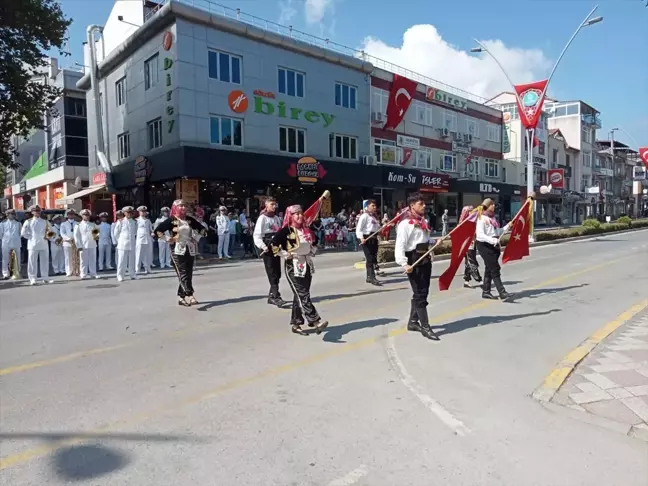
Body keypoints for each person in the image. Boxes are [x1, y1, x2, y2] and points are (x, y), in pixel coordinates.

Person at [271, 204, 328, 335]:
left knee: (300, 295)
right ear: (290, 216)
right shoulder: (286, 231)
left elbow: (315, 241)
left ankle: (296, 323)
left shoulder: (307, 230)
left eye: (301, 213)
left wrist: (312, 251)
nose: (300, 216)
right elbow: (274, 245)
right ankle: (315, 321)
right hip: (293, 264)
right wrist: (285, 254)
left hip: (306, 263)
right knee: (302, 294)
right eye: (296, 214)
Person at [395, 193, 439, 340]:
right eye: (421, 203)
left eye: (424, 203)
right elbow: (400, 245)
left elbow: (424, 239)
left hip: (425, 258)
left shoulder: (423, 221)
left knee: (423, 292)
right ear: (412, 205)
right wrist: (404, 263)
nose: (424, 205)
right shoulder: (405, 224)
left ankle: (413, 321)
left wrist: (433, 242)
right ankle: (425, 326)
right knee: (420, 293)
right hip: (413, 259)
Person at [154, 199, 206, 306]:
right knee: (182, 272)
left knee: (188, 272)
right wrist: (167, 238)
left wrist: (196, 238)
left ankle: (181, 298)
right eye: (180, 206)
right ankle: (190, 294)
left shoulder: (189, 219)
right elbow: (157, 231)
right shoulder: (171, 220)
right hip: (177, 249)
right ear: (175, 208)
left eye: (184, 206)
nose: (183, 208)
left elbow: (203, 230)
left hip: (189, 248)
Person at [475, 198, 512, 301]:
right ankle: (502, 292)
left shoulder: (493, 219)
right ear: (487, 206)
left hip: (494, 245)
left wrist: (507, 227)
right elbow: (480, 235)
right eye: (492, 204)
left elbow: (498, 232)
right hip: (484, 245)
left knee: (489, 268)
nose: (494, 206)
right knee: (494, 268)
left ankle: (486, 291)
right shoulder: (481, 218)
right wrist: (492, 240)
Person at [254, 197, 288, 307]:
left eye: (275, 204)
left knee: (277, 273)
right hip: (267, 247)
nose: (274, 206)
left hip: (276, 247)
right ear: (266, 206)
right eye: (272, 204)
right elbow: (257, 235)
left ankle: (271, 296)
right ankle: (276, 296)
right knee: (272, 272)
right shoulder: (262, 218)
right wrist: (263, 246)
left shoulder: (277, 218)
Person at [21, 205, 53, 285]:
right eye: (35, 211)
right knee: (32, 262)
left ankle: (45, 278)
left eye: (38, 211)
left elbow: (51, 231)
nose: (37, 212)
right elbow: (23, 233)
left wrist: (48, 237)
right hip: (33, 244)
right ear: (32, 212)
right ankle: (32, 279)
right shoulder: (28, 221)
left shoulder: (45, 221)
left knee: (45, 262)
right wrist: (31, 237)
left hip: (44, 244)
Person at [356, 199, 382, 286]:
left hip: (374, 238)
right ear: (367, 207)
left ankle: (368, 277)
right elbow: (359, 229)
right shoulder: (364, 216)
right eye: (372, 206)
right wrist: (361, 238)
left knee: (372, 258)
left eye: (375, 206)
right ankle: (372, 277)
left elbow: (377, 228)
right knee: (370, 258)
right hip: (367, 238)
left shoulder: (374, 217)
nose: (374, 207)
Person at [458, 206, 482, 288]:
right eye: (470, 211)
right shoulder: (464, 222)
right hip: (467, 244)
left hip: (473, 243)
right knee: (472, 261)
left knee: (468, 261)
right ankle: (479, 280)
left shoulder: (473, 221)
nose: (472, 212)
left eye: (472, 211)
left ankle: (466, 280)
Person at [113, 206, 137, 282]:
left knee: (132, 260)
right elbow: (116, 233)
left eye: (130, 212)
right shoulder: (120, 221)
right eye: (127, 212)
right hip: (122, 244)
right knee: (122, 261)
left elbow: (135, 232)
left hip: (132, 243)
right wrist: (119, 241)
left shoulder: (134, 222)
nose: (129, 214)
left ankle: (132, 274)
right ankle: (120, 275)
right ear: (124, 213)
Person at [74, 209, 100, 279]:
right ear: (82, 216)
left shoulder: (93, 224)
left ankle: (93, 273)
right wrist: (78, 245)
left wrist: (97, 235)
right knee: (83, 260)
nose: (87, 216)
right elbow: (76, 236)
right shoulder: (78, 225)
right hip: (83, 244)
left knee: (93, 259)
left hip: (92, 244)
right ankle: (83, 274)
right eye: (85, 215)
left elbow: (97, 234)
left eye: (88, 215)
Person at [0, 209, 22, 280]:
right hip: (6, 243)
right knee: (5, 259)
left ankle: (16, 272)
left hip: (16, 242)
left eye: (13, 214)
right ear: (7, 215)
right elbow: (0, 234)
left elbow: (21, 233)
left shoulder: (18, 223)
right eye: (10, 214)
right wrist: (5, 239)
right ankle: (6, 274)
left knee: (17, 258)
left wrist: (16, 238)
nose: (12, 215)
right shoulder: (2, 223)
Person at [59, 209, 78, 277]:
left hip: (76, 242)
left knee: (76, 256)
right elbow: (62, 233)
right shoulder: (63, 224)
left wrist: (76, 239)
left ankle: (76, 270)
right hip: (67, 242)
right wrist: (68, 238)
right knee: (68, 257)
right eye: (69, 214)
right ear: (67, 215)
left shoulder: (77, 223)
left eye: (72, 214)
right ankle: (68, 271)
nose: (71, 215)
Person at [135, 205, 153, 274]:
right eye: (142, 211)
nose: (143, 213)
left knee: (148, 254)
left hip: (147, 239)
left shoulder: (148, 221)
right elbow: (134, 231)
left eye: (144, 211)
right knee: (138, 254)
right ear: (139, 212)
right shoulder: (137, 220)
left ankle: (147, 268)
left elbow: (151, 230)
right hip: (140, 239)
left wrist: (152, 233)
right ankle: (137, 268)